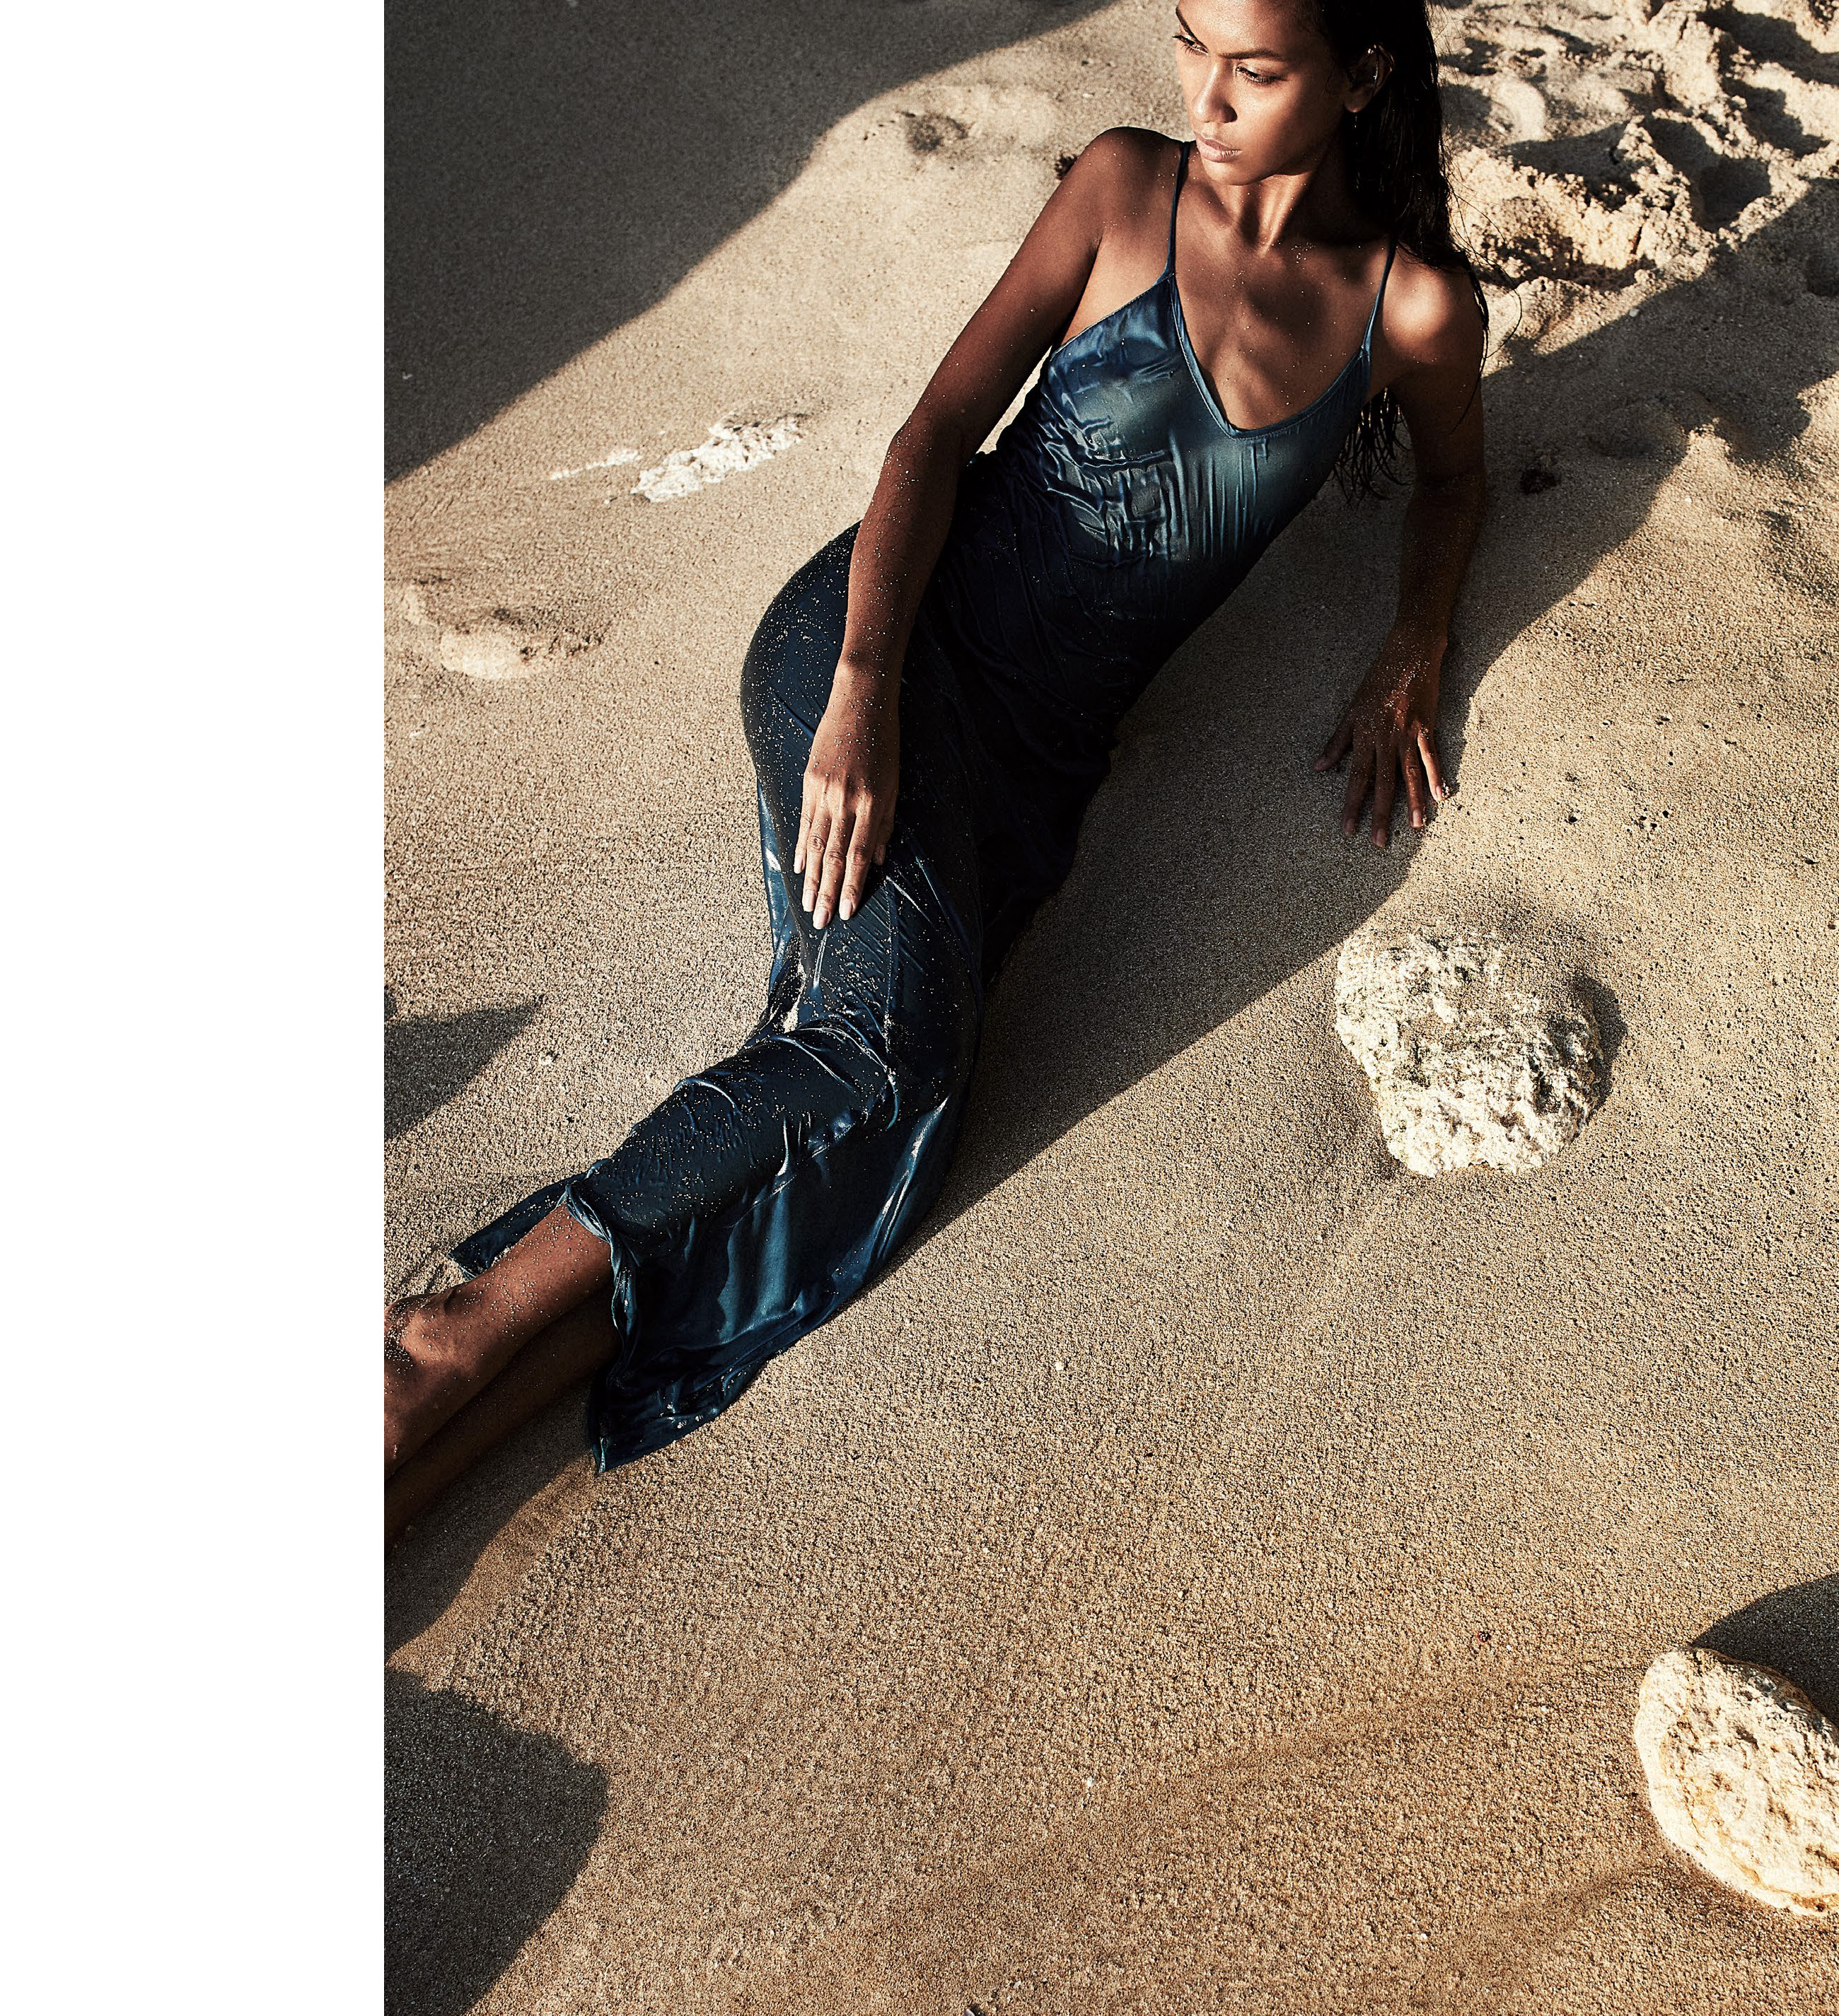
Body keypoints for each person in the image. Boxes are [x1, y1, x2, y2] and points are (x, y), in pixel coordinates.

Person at [383, 0, 1488, 1526]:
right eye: (1190, 43)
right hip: (871, 649)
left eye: (1255, 68)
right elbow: (931, 437)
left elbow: (1453, 483)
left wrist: (1413, 645)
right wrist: (861, 696)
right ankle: (453, 1339)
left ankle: (441, 1430)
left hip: (1032, 768)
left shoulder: (1407, 309)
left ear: (1360, 76)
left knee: (865, 1107)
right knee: (879, 1054)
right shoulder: (1123, 188)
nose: (1206, 94)